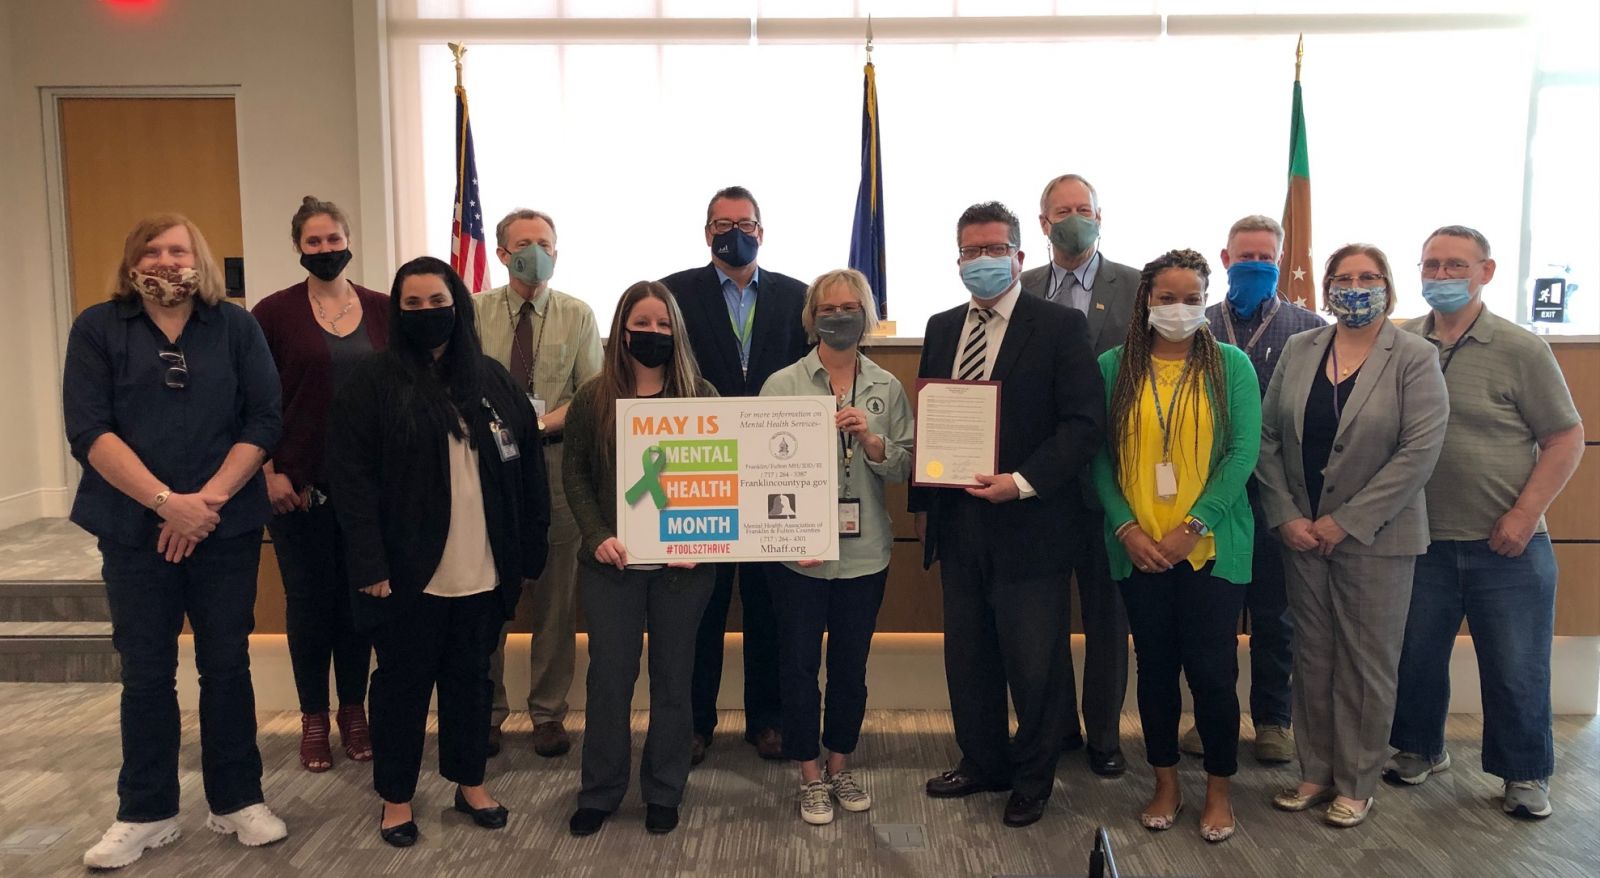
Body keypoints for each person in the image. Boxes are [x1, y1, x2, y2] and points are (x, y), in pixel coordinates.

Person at [65, 214, 288, 869]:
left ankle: (238, 801)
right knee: (145, 676)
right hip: (133, 530)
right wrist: (166, 504)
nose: (166, 261)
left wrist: (205, 505)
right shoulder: (98, 329)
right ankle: (146, 811)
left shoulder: (236, 327)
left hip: (225, 529)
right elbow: (89, 430)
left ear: (201, 258)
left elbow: (265, 417)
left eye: (179, 249)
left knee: (226, 667)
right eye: (153, 250)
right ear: (134, 261)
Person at [327, 257, 549, 848]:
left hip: (483, 567)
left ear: (459, 305)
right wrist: (369, 564)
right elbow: (349, 481)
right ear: (398, 314)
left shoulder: (493, 380)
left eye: (438, 301)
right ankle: (396, 798)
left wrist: (528, 555)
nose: (429, 313)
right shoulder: (372, 383)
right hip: (405, 574)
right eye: (414, 305)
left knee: (471, 682)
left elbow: (527, 470)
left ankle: (469, 782)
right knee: (402, 687)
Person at [911, 202, 1103, 829]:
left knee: (1034, 660)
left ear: (1021, 256)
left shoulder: (1060, 326)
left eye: (995, 249)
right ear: (958, 259)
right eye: (971, 251)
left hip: (1030, 523)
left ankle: (1033, 776)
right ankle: (982, 760)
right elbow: (934, 419)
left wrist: (1020, 483)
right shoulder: (941, 329)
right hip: (960, 522)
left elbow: (1083, 427)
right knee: (967, 656)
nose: (983, 260)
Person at [1386, 225, 1584, 820]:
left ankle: (1524, 775)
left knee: (1516, 666)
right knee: (1415, 657)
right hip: (1420, 542)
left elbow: (1565, 437)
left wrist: (1525, 515)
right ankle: (1418, 748)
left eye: (1455, 265)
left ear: (1486, 272)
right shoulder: (1401, 346)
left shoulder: (1521, 349)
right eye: (1430, 265)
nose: (1440, 276)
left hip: (1509, 545)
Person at [1256, 243, 1448, 828]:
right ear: (1328, 287)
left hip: (1377, 539)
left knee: (1367, 664)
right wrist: (1287, 514)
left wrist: (1348, 520)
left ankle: (1358, 781)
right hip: (1302, 536)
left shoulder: (1415, 355)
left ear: (1389, 286)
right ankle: (1315, 772)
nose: (1355, 287)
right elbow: (1268, 438)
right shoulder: (1300, 347)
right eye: (1344, 278)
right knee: (1313, 658)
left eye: (1369, 277)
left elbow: (1419, 452)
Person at [1090, 249, 1259, 843]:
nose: (1179, 308)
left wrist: (1194, 525)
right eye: (1167, 297)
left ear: (1206, 299)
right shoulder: (1115, 366)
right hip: (1138, 549)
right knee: (1155, 670)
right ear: (1147, 302)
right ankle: (1165, 782)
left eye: (1192, 297)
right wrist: (1127, 529)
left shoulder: (1231, 365)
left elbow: (1243, 454)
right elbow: (1100, 457)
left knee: (1213, 674)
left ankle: (1218, 788)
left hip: (1211, 548)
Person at [660, 185, 810, 762]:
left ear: (762, 231)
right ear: (706, 233)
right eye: (723, 224)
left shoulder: (798, 297)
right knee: (704, 601)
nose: (735, 233)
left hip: (777, 469)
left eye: (745, 223)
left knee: (770, 602)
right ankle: (697, 722)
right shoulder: (673, 294)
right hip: (705, 468)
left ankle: (767, 720)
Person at [563, 281, 718, 837]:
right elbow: (575, 473)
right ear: (621, 329)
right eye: (640, 323)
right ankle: (600, 791)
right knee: (609, 679)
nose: (651, 333)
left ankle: (664, 790)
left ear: (675, 331)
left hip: (684, 574)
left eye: (661, 324)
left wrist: (700, 544)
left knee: (674, 680)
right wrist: (597, 532)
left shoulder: (702, 396)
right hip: (612, 567)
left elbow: (720, 482)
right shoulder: (593, 398)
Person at [759, 269, 914, 826]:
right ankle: (807, 773)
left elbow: (904, 463)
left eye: (851, 306)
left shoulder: (887, 387)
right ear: (812, 316)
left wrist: (871, 441)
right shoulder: (782, 385)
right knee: (798, 667)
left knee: (851, 667)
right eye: (830, 307)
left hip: (865, 551)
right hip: (797, 555)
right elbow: (760, 472)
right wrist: (786, 535)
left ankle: (840, 764)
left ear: (866, 314)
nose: (840, 315)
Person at [1183, 215, 1326, 765]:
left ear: (1281, 261)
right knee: (1211, 619)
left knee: (1274, 617)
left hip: (1275, 497)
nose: (1255, 266)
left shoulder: (1308, 327)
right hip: (1206, 495)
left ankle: (1272, 721)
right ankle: (1210, 718)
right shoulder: (1195, 322)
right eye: (1246, 258)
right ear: (1224, 259)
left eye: (1266, 258)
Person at [251, 196, 387, 773]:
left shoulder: (384, 310)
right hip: (296, 486)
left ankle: (353, 712)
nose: (326, 250)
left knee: (360, 601)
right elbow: (251, 401)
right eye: (314, 242)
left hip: (369, 490)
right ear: (298, 248)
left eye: (334, 239)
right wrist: (269, 471)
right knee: (309, 606)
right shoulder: (273, 314)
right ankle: (312, 717)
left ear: (350, 241)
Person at [1017, 174, 1139, 774]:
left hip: (1112, 482)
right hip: (1039, 483)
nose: (1074, 218)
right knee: (1044, 621)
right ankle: (1057, 727)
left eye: (1083, 209)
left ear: (1100, 216)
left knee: (1106, 619)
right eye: (1061, 210)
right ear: (1043, 223)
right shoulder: (1023, 288)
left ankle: (1105, 737)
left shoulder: (1139, 288)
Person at [475, 209, 604, 759]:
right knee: (485, 594)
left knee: (555, 599)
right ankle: (484, 711)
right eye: (524, 243)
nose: (536, 252)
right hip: (486, 471)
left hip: (554, 466)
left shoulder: (578, 315)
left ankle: (548, 714)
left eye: (545, 243)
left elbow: (593, 392)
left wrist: (538, 424)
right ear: (502, 254)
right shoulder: (473, 312)